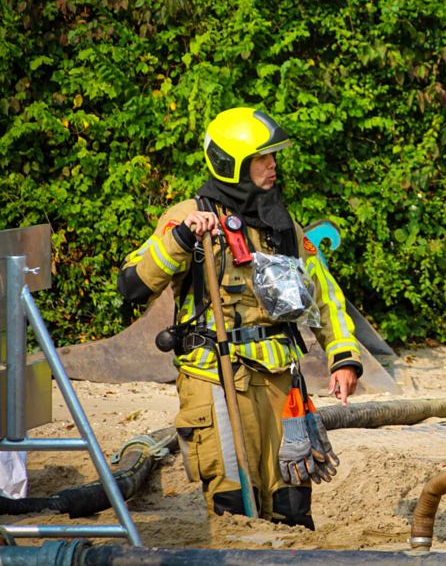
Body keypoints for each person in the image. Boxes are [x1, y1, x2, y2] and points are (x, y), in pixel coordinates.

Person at [117, 107, 362, 529]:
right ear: (232, 165)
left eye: (272, 156)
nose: (273, 166)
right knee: (235, 505)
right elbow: (132, 284)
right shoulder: (187, 217)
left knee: (292, 503)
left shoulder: (281, 223)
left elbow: (323, 292)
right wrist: (180, 238)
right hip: (215, 380)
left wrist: (343, 356)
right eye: (262, 159)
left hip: (282, 382)